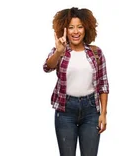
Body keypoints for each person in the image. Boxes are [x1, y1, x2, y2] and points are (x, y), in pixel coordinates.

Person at [43, 7, 109, 156]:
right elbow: (47, 67)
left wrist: (103, 114)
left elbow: (103, 85)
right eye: (71, 27)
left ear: (86, 28)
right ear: (65, 30)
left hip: (91, 110)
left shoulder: (96, 53)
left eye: (79, 27)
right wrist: (59, 52)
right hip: (65, 110)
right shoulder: (59, 51)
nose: (76, 31)